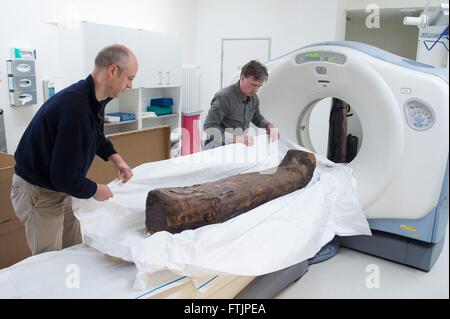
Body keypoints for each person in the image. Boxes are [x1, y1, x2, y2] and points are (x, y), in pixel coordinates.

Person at [11, 44, 138, 255]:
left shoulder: (96, 98)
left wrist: (115, 158)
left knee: (74, 248)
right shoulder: (75, 109)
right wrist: (96, 190)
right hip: (39, 189)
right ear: (113, 70)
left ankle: (71, 285)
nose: (130, 85)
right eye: (130, 78)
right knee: (48, 259)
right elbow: (63, 176)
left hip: (61, 186)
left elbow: (95, 134)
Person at [203, 60, 279, 149]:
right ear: (242, 78)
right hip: (216, 147)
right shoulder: (223, 97)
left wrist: (268, 125)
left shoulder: (254, 98)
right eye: (253, 85)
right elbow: (209, 127)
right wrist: (234, 138)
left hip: (237, 147)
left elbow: (256, 116)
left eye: (259, 86)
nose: (256, 89)